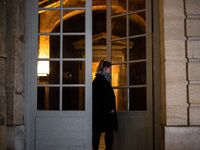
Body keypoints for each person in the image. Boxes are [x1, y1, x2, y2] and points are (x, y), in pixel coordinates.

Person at [92, 59, 118, 150]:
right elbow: (101, 97)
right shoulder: (99, 80)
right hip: (103, 112)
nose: (111, 71)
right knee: (103, 133)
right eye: (110, 69)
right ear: (105, 69)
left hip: (102, 112)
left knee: (100, 132)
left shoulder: (102, 79)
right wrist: (109, 108)